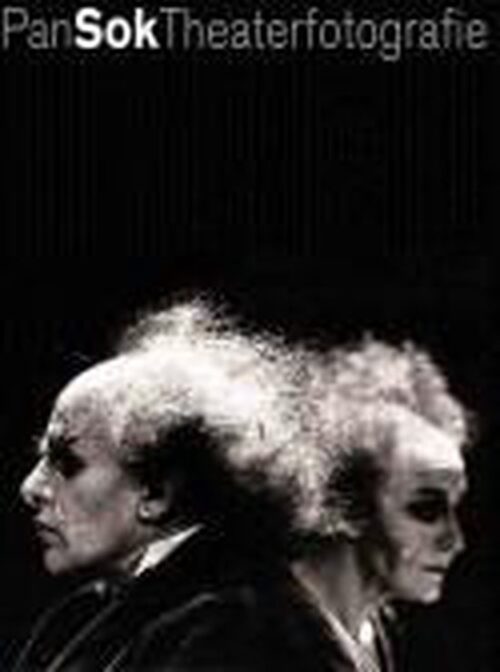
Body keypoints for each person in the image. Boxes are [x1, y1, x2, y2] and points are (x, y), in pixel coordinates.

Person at [14, 300, 322, 672]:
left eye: (67, 464)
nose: (31, 487)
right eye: (42, 458)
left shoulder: (241, 631)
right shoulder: (80, 614)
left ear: (156, 493)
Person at [287, 338, 471, 672]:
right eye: (425, 509)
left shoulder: (374, 631)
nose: (455, 542)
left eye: (453, 506)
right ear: (346, 505)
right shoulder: (241, 636)